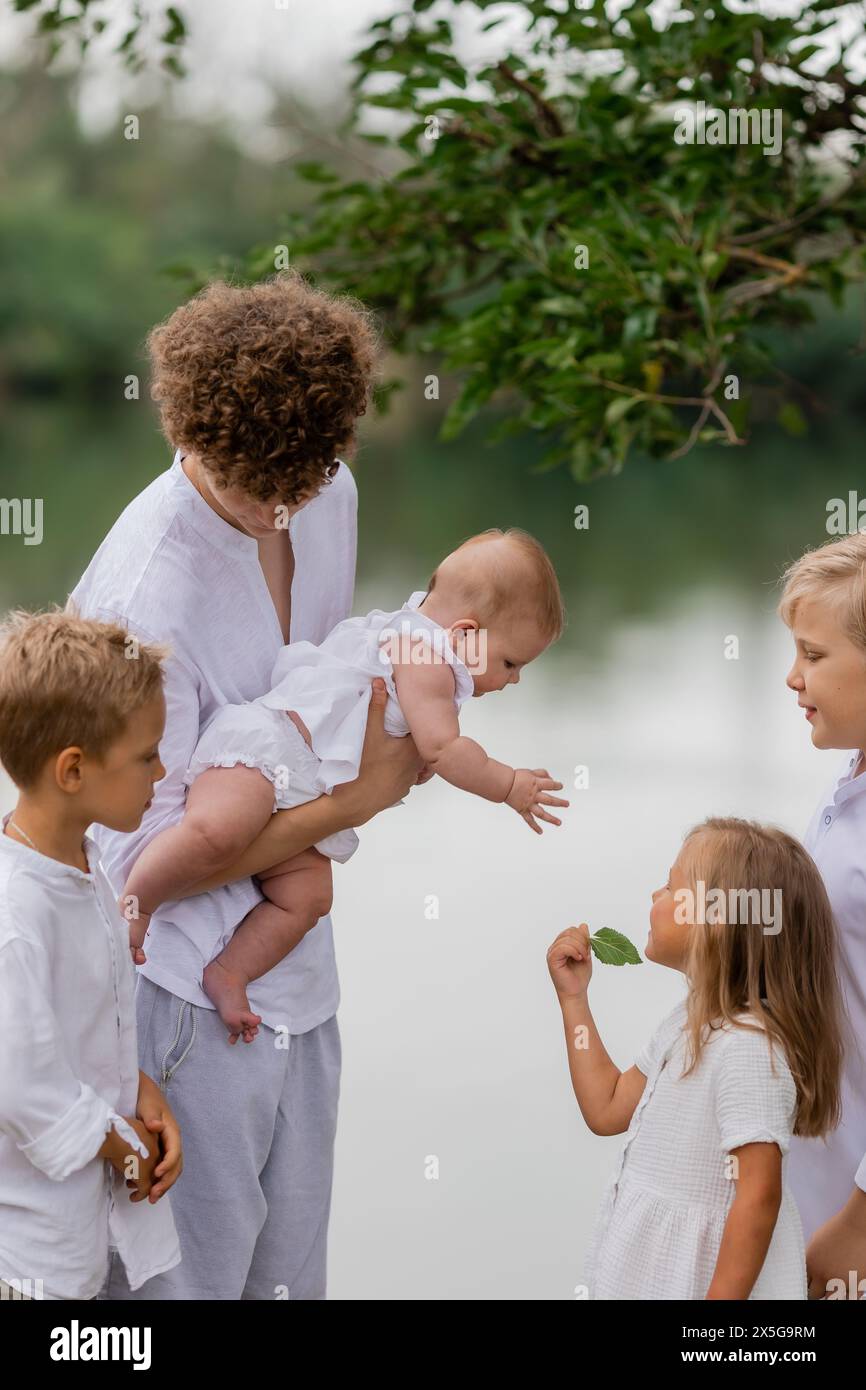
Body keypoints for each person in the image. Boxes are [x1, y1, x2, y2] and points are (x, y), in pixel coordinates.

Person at [70, 272, 422, 1301]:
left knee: (286, 1285)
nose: (279, 506)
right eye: (251, 485)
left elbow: (306, 703)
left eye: (303, 479)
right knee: (178, 1291)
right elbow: (127, 866)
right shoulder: (146, 595)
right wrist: (352, 806)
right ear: (194, 436)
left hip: (297, 976)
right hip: (175, 997)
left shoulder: (326, 490)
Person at [123, 528, 568, 1042]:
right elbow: (444, 749)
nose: (513, 680)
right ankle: (138, 902)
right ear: (465, 634)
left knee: (309, 898)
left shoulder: (425, 657)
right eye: (511, 663)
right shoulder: (424, 655)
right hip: (268, 756)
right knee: (218, 831)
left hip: (305, 794)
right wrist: (508, 784)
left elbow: (408, 747)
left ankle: (229, 972)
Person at [547, 816, 844, 1299]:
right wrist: (574, 1001)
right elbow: (606, 1107)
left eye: (670, 887)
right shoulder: (686, 1022)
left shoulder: (749, 1047)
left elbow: (758, 1196)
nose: (653, 897)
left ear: (719, 921)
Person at [0, 610, 182, 1301]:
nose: (162, 771)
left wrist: (139, 1090)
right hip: (23, 1265)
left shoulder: (85, 865)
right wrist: (119, 1142)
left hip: (73, 1254)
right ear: (73, 769)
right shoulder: (16, 911)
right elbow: (20, 1083)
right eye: (146, 756)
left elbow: (75, 1028)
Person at [779, 533, 866, 1298]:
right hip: (815, 1177)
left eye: (813, 655)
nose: (791, 677)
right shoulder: (849, 780)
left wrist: (860, 1224)